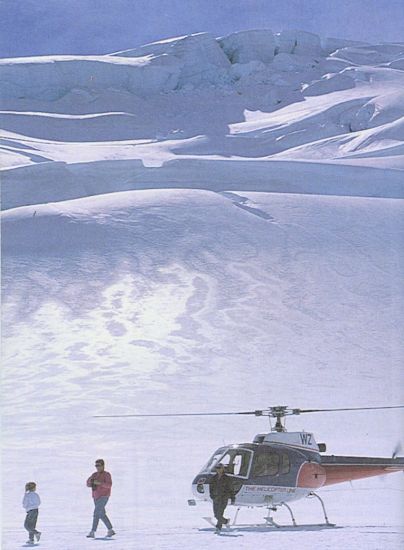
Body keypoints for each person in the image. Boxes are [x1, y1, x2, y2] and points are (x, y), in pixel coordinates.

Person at [86, 459, 115, 538]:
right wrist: (91, 482)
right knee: (101, 514)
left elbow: (109, 485)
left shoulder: (107, 474)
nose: (97, 467)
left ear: (103, 466)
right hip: (95, 496)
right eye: (96, 465)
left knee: (96, 513)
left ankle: (93, 531)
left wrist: (99, 483)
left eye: (98, 465)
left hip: (104, 496)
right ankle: (110, 530)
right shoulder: (94, 474)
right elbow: (87, 483)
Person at [209, 463, 236, 533]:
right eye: (217, 468)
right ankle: (226, 521)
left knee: (219, 514)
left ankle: (218, 528)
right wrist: (211, 495)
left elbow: (231, 488)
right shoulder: (213, 478)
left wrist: (233, 498)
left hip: (224, 498)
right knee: (216, 515)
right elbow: (211, 488)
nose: (218, 469)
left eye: (219, 468)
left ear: (222, 469)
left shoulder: (227, 478)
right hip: (216, 498)